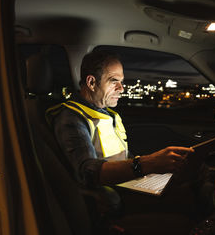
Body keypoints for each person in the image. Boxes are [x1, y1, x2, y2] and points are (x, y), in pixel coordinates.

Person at [46, 50, 195, 233]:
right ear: (92, 82)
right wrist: (147, 164)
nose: (122, 88)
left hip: (127, 186)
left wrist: (156, 169)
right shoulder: (72, 118)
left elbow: (124, 157)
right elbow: (88, 172)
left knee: (188, 190)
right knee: (186, 209)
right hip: (112, 201)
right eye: (114, 81)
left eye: (121, 81)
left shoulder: (108, 115)